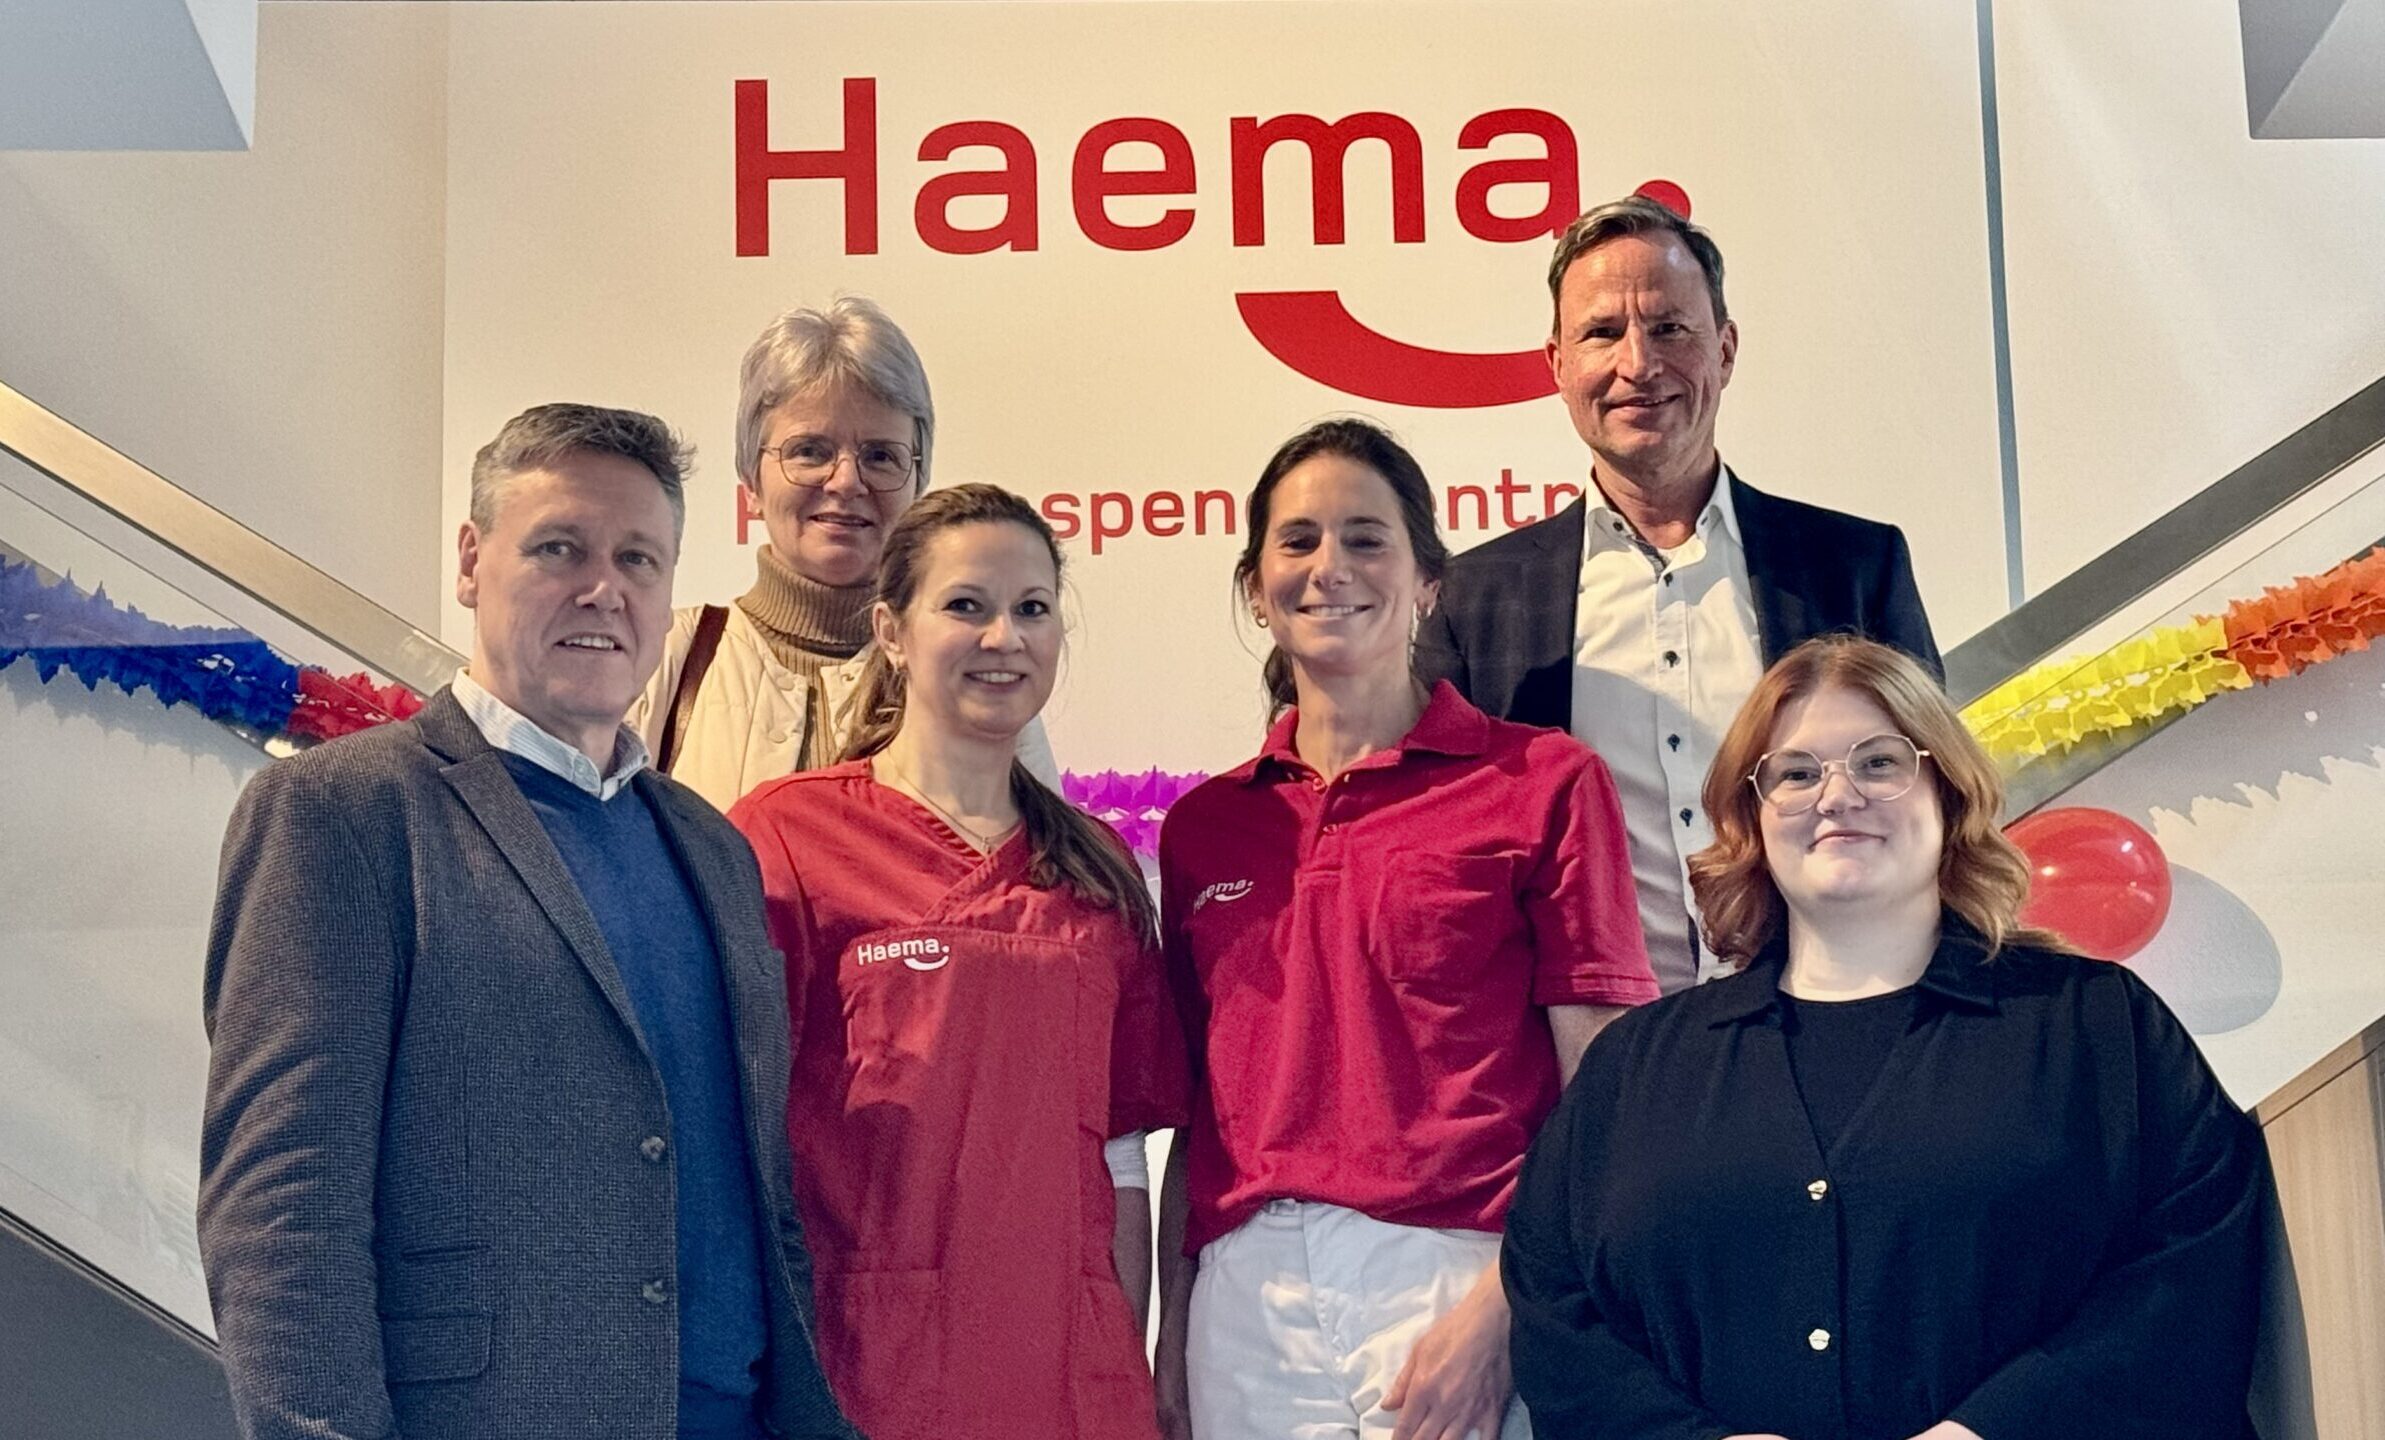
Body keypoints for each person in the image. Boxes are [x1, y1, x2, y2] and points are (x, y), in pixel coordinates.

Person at [198, 404, 852, 1440]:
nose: (604, 588)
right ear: (471, 560)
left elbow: (757, 1188)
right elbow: (283, 1206)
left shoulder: (712, 848)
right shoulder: (345, 814)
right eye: (559, 548)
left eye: (638, 558)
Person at [1503, 635, 2269, 1440]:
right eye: (1795, 774)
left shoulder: (2096, 1026)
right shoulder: (1637, 1067)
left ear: (1948, 795)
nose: (1837, 796)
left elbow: (2193, 1268)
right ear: (1751, 816)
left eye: (1878, 763)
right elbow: (1555, 1306)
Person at [1154, 419, 1658, 1440]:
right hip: (1245, 1300)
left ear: (1429, 580)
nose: (1329, 567)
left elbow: (1601, 1091)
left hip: (1458, 1272)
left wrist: (1508, 1306)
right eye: (1297, 541)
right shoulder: (1205, 826)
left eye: (1365, 538)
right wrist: (1174, 1329)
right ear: (1255, 588)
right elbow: (1204, 1112)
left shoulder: (1544, 782)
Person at [726, 483, 1187, 1440]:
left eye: (1032, 609)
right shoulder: (788, 836)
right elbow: (735, 1135)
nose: (1003, 638)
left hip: (1067, 1375)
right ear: (891, 631)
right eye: (966, 606)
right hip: (863, 1369)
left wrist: (1124, 1363)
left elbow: (1120, 1159)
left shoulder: (1097, 870)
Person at [1416, 195, 1940, 998]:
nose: (1637, 364)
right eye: (1601, 333)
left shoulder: (1853, 566)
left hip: (1831, 1017)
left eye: (1668, 328)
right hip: (1589, 1043)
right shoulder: (1472, 599)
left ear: (1723, 351)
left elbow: (1923, 803)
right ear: (1556, 365)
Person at [630, 296, 1054, 812]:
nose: (846, 481)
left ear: (918, 482)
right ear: (750, 480)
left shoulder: (974, 665)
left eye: (880, 455)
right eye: (810, 451)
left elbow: (1040, 856)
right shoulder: (659, 656)